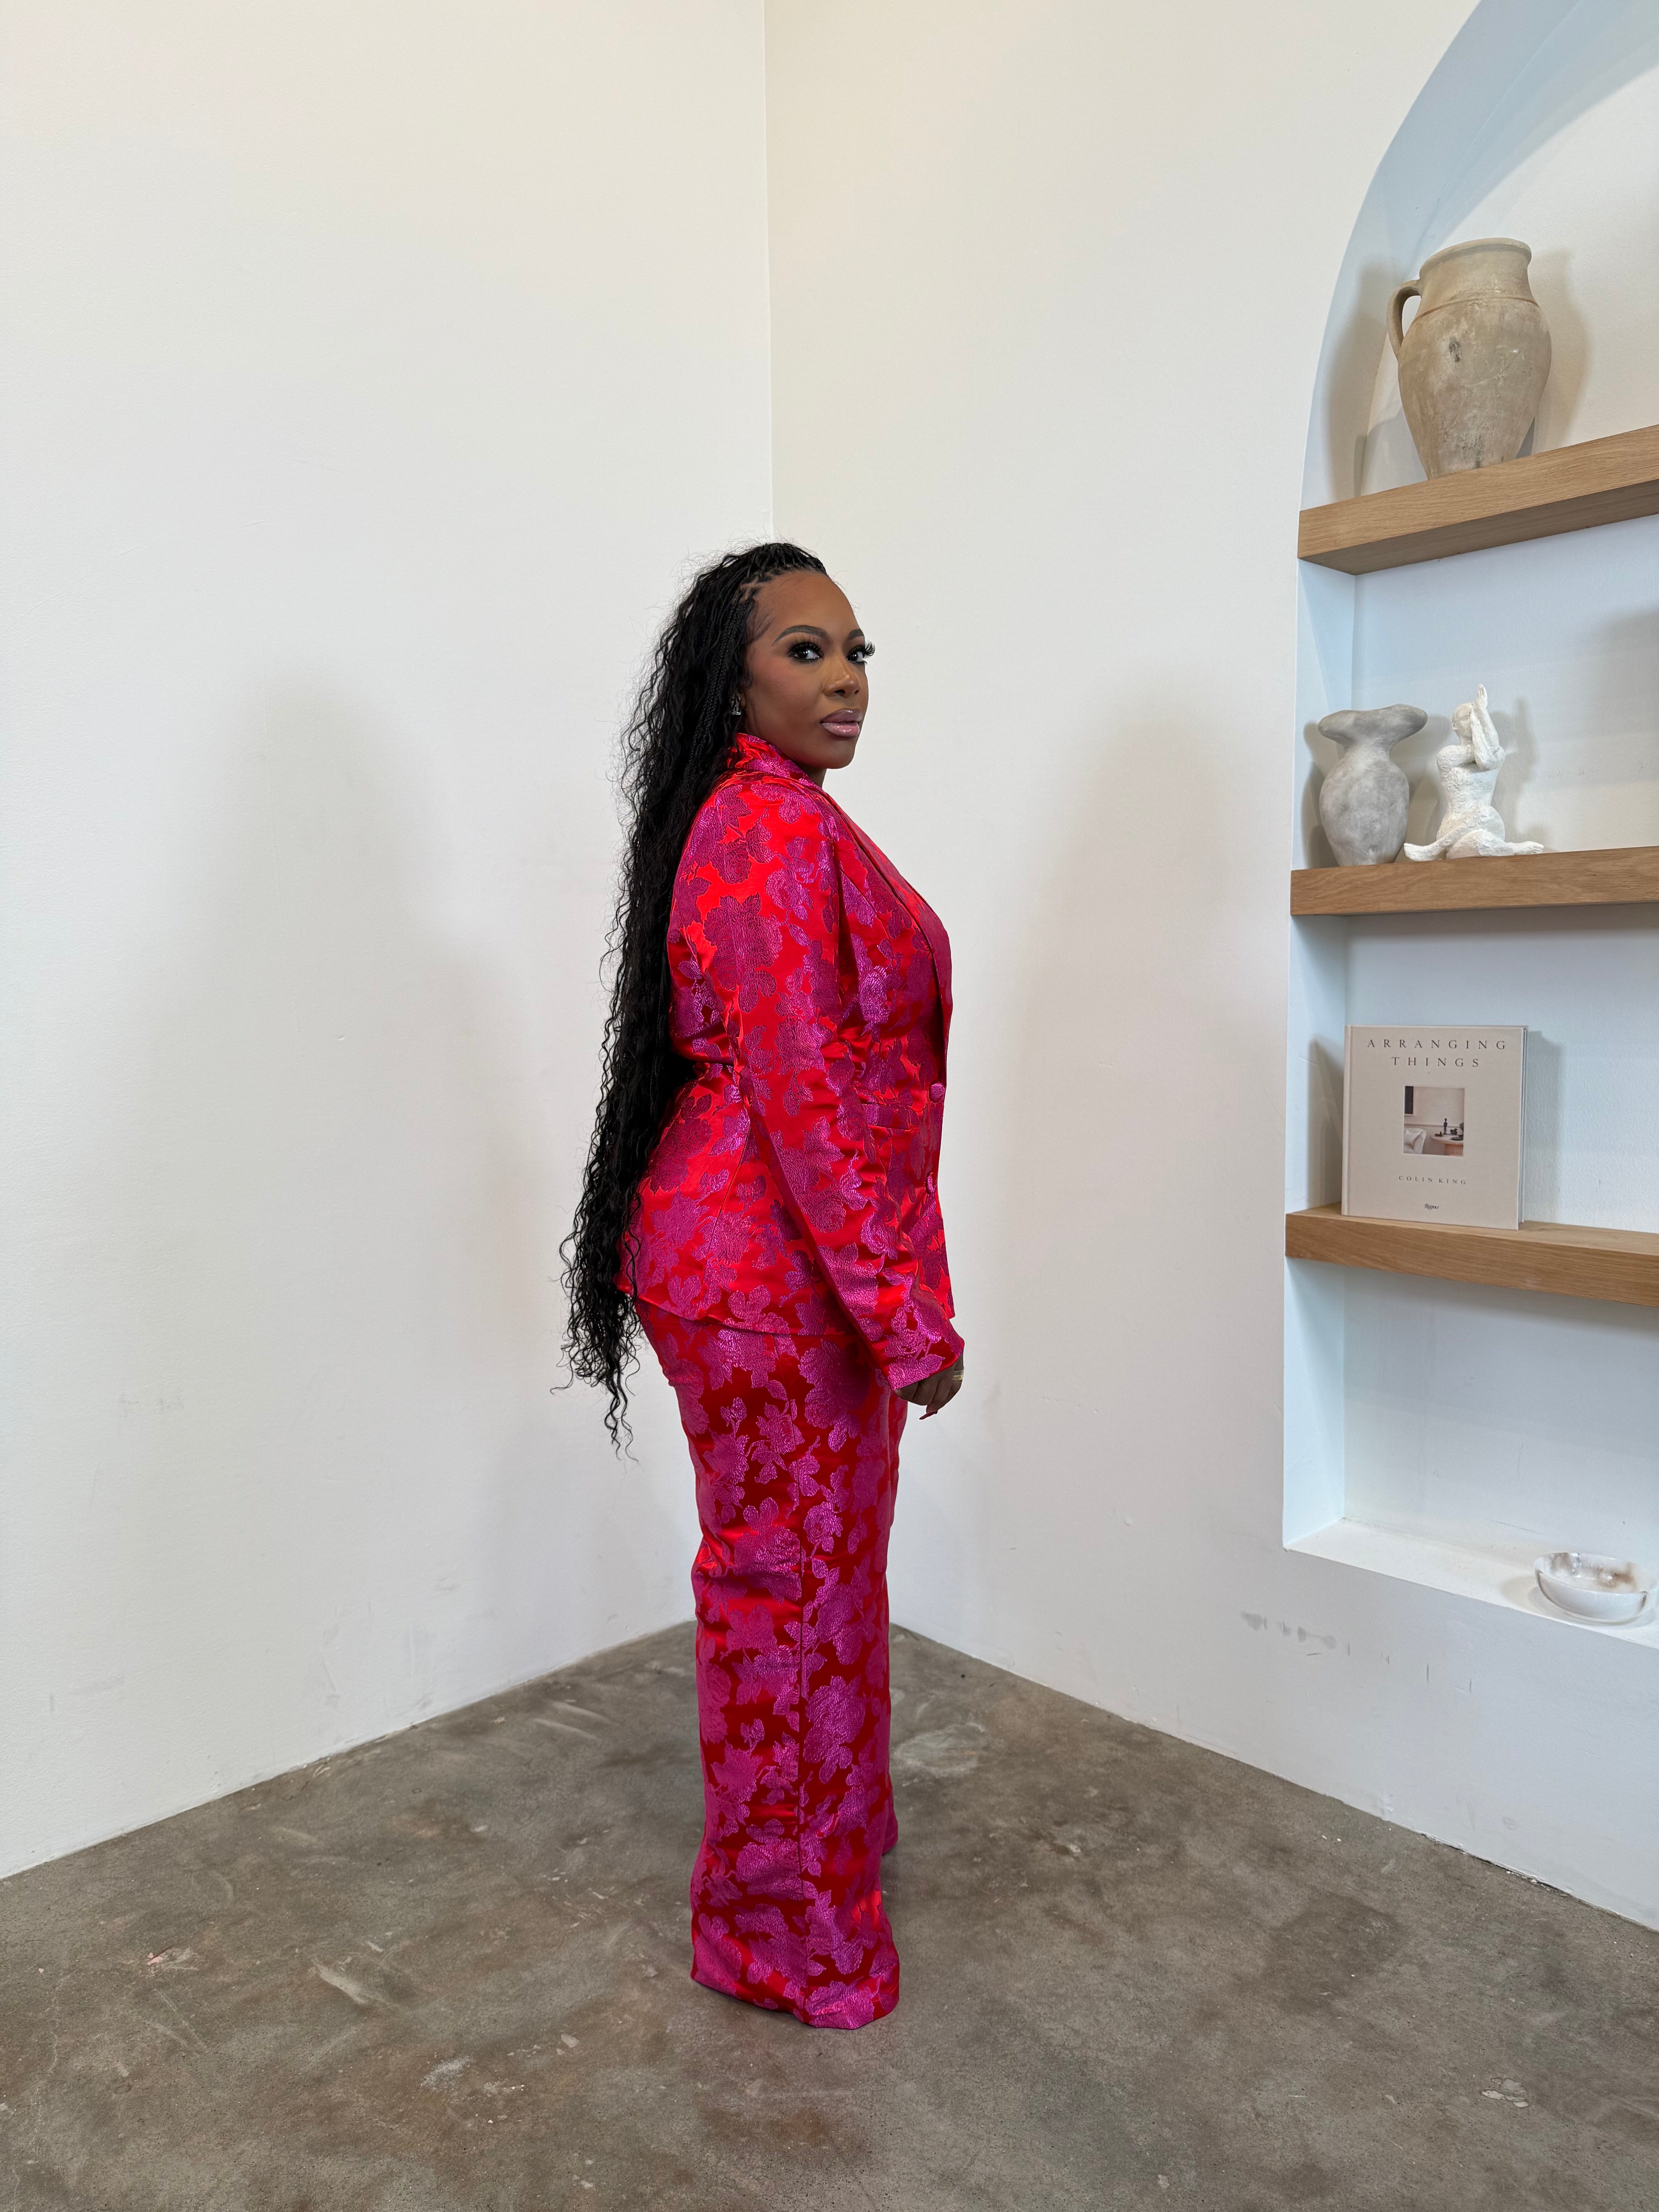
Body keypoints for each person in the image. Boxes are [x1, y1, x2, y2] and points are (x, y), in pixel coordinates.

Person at [563, 541, 963, 2029]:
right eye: (806, 651)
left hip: (772, 1263)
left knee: (815, 1579)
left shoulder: (776, 815)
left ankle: (824, 1855)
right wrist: (907, 1317)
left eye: (857, 653)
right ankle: (779, 1932)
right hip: (764, 1277)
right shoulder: (770, 830)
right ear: (730, 681)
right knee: (788, 1596)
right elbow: (808, 1097)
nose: (845, 680)